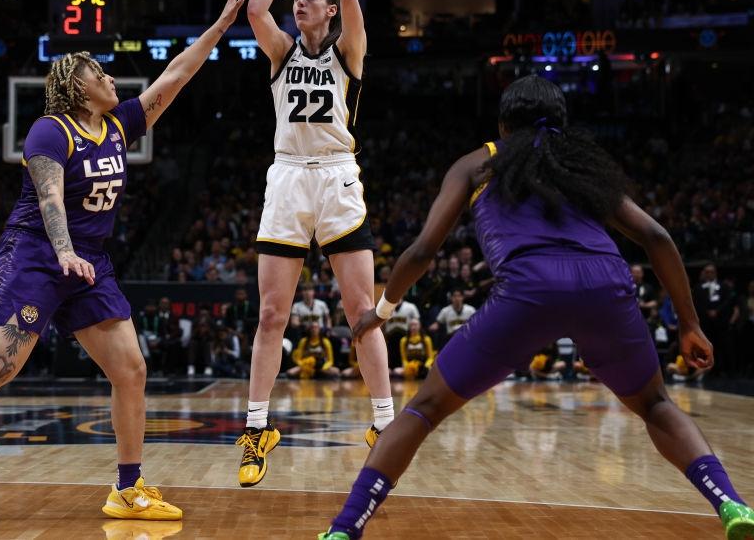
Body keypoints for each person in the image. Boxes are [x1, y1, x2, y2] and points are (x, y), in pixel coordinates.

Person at [0, 0, 244, 522]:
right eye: (100, 72)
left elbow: (177, 74)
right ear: (76, 85)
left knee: (132, 370)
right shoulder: (49, 130)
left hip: (90, 261)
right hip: (38, 253)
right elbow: (49, 200)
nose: (110, 77)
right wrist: (64, 251)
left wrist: (221, 26)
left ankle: (127, 489)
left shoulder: (120, 124)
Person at [319, 76, 754, 539]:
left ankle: (346, 528)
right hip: (605, 284)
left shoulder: (479, 163)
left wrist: (382, 310)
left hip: (529, 290)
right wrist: (689, 323)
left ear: (503, 124)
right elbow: (656, 237)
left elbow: (424, 250)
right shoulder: (580, 167)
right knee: (654, 404)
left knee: (424, 408)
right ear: (561, 124)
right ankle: (731, 503)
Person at [238, 0, 393, 488]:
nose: (299, 3)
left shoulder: (346, 51)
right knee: (272, 313)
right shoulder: (281, 53)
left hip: (336, 179)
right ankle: (257, 428)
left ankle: (385, 422)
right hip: (286, 180)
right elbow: (254, 9)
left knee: (360, 312)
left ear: (328, 11)